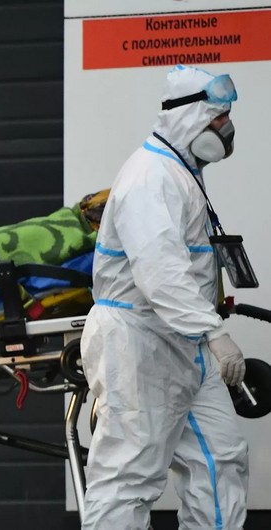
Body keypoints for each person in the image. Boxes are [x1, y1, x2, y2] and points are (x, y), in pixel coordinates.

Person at [80, 64, 248, 529]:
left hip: (182, 343)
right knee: (129, 475)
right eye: (219, 118)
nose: (226, 128)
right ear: (189, 116)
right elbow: (160, 273)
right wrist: (213, 331)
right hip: (139, 343)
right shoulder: (150, 177)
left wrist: (204, 331)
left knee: (220, 459)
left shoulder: (181, 172)